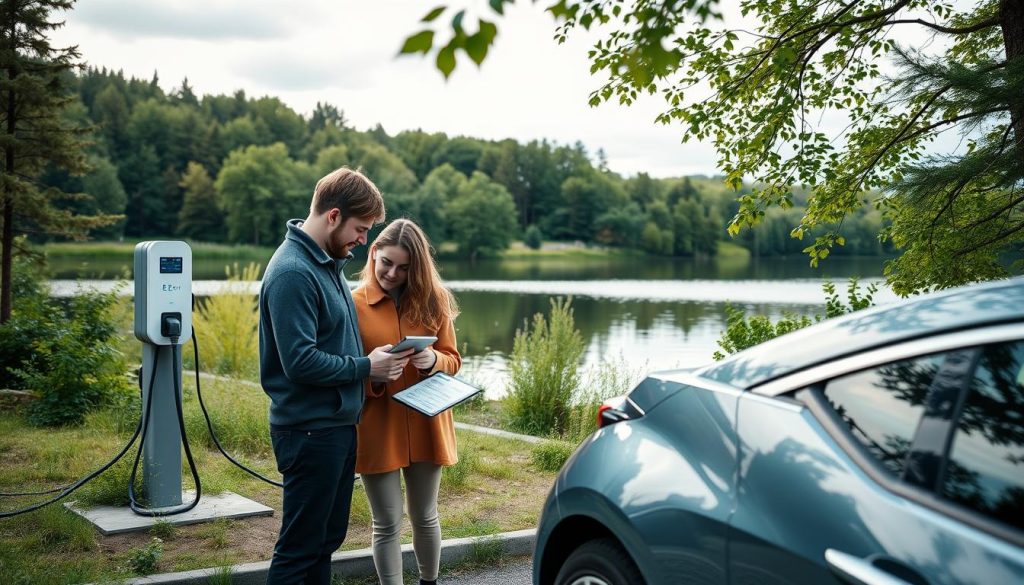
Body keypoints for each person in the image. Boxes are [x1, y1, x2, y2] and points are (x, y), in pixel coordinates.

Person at [259, 167, 414, 585]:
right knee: (299, 550)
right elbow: (300, 361)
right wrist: (368, 366)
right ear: (332, 216)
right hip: (309, 432)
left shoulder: (328, 263)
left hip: (337, 427)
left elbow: (331, 344)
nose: (363, 241)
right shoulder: (293, 272)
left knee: (325, 542)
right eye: (360, 229)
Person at [352, 219, 462, 585]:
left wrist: (434, 362)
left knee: (425, 514)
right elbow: (347, 371)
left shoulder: (436, 300)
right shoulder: (352, 304)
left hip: (428, 421)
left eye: (404, 267)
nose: (393, 273)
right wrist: (374, 376)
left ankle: (429, 582)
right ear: (373, 253)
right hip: (378, 424)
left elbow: (453, 360)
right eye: (386, 263)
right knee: (386, 522)